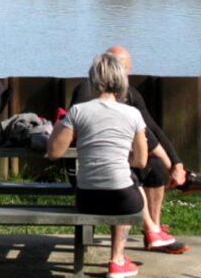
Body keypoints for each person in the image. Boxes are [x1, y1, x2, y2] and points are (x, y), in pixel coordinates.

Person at [70, 45, 201, 253]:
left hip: (120, 159)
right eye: (122, 68)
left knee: (155, 168)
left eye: (126, 68)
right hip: (91, 166)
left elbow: (151, 128)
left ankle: (155, 232)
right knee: (128, 172)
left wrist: (176, 162)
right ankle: (177, 191)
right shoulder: (86, 92)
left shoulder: (130, 95)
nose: (126, 73)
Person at [48, 53, 149, 278]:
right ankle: (117, 260)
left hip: (88, 198)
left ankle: (116, 260)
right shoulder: (133, 114)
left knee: (115, 185)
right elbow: (141, 161)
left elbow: (54, 152)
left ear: (93, 79)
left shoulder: (78, 111)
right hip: (123, 199)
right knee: (127, 182)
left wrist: (59, 126)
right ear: (122, 80)